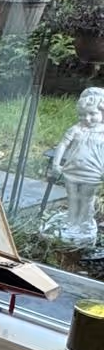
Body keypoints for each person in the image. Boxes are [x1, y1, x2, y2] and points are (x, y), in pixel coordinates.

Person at [50, 87, 104, 246]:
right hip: (71, 171)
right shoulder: (76, 129)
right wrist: (56, 163)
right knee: (72, 197)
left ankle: (84, 223)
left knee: (87, 199)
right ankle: (72, 221)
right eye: (82, 115)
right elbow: (62, 145)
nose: (87, 118)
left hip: (92, 173)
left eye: (92, 114)